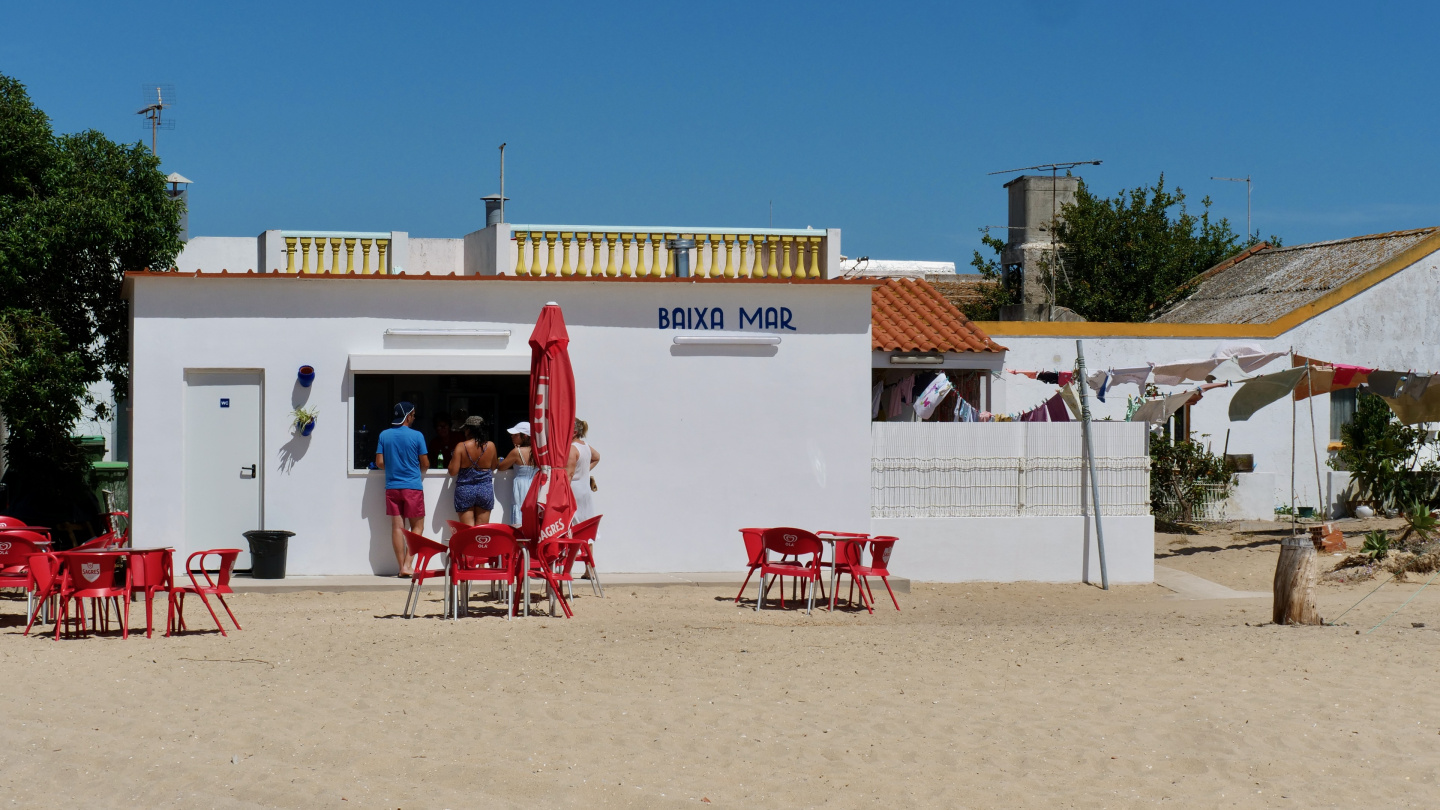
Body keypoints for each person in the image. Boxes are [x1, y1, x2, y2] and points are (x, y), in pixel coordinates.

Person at [375, 401, 428, 577]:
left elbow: (380, 463)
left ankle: (401, 567)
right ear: (409, 415)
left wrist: (394, 467)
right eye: (413, 415)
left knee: (397, 528)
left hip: (392, 487)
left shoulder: (384, 435)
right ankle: (408, 564)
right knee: (417, 527)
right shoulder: (417, 435)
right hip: (412, 486)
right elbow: (425, 463)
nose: (414, 418)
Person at [447, 415, 496, 526]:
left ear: (469, 430)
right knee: (481, 530)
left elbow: (452, 471)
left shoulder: (461, 446)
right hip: (484, 489)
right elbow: (493, 466)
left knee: (467, 530)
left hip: (465, 489)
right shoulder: (491, 446)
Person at [495, 422, 535, 529]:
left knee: (519, 513)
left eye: (515, 435)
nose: (512, 437)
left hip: (521, 487)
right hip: (535, 485)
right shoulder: (537, 452)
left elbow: (501, 467)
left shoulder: (516, 452)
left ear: (525, 436)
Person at [568, 418, 600, 525]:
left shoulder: (572, 449)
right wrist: (584, 471)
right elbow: (597, 457)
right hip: (584, 490)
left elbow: (569, 474)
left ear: (575, 432)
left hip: (573, 491)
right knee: (585, 522)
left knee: (573, 524)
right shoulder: (584, 445)